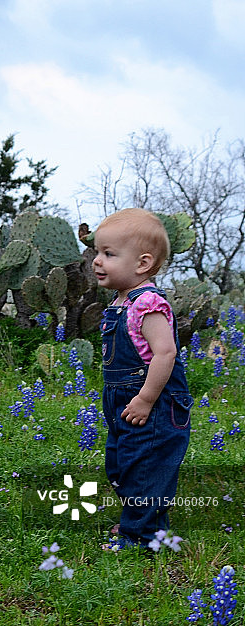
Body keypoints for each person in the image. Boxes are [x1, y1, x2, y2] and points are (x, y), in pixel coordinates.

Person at [92, 208, 193, 551]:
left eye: (108, 254)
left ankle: (139, 537)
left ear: (142, 263)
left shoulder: (146, 303)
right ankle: (144, 523)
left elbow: (165, 354)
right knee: (121, 465)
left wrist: (146, 398)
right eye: (97, 252)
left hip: (153, 403)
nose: (97, 261)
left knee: (145, 469)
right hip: (123, 401)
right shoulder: (119, 302)